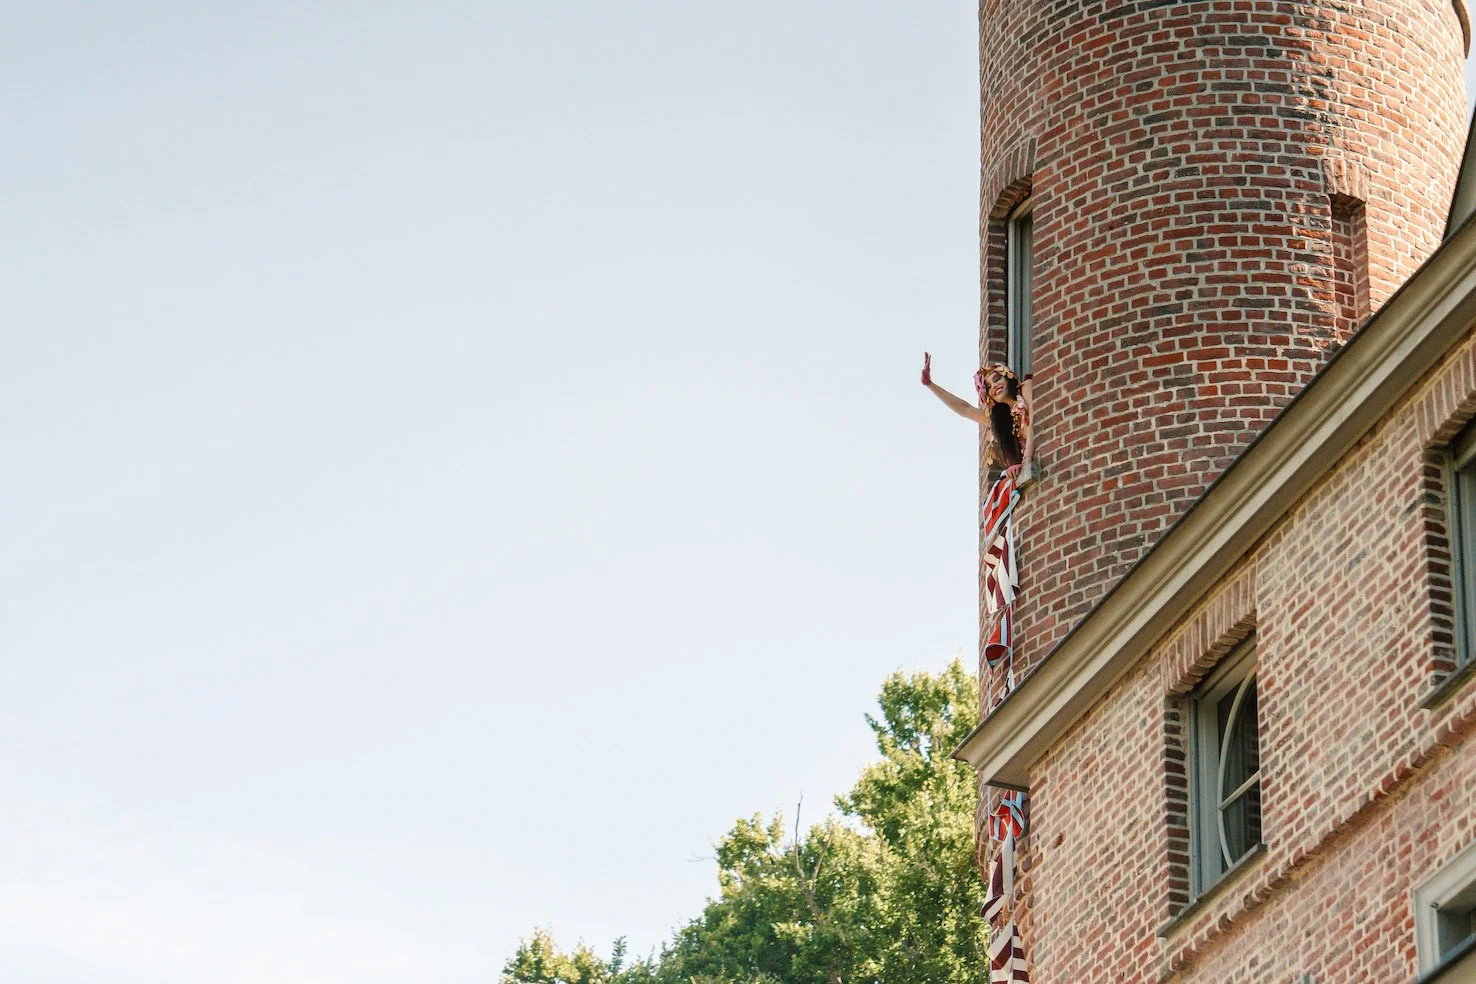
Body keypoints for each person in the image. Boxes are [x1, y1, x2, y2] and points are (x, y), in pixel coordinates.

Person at [919, 353, 1032, 477]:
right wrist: (930, 384)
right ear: (988, 396)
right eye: (988, 387)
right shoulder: (1000, 419)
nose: (994, 386)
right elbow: (964, 408)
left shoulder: (1026, 388)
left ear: (1007, 377)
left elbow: (1034, 422)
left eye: (997, 379)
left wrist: (1027, 460)